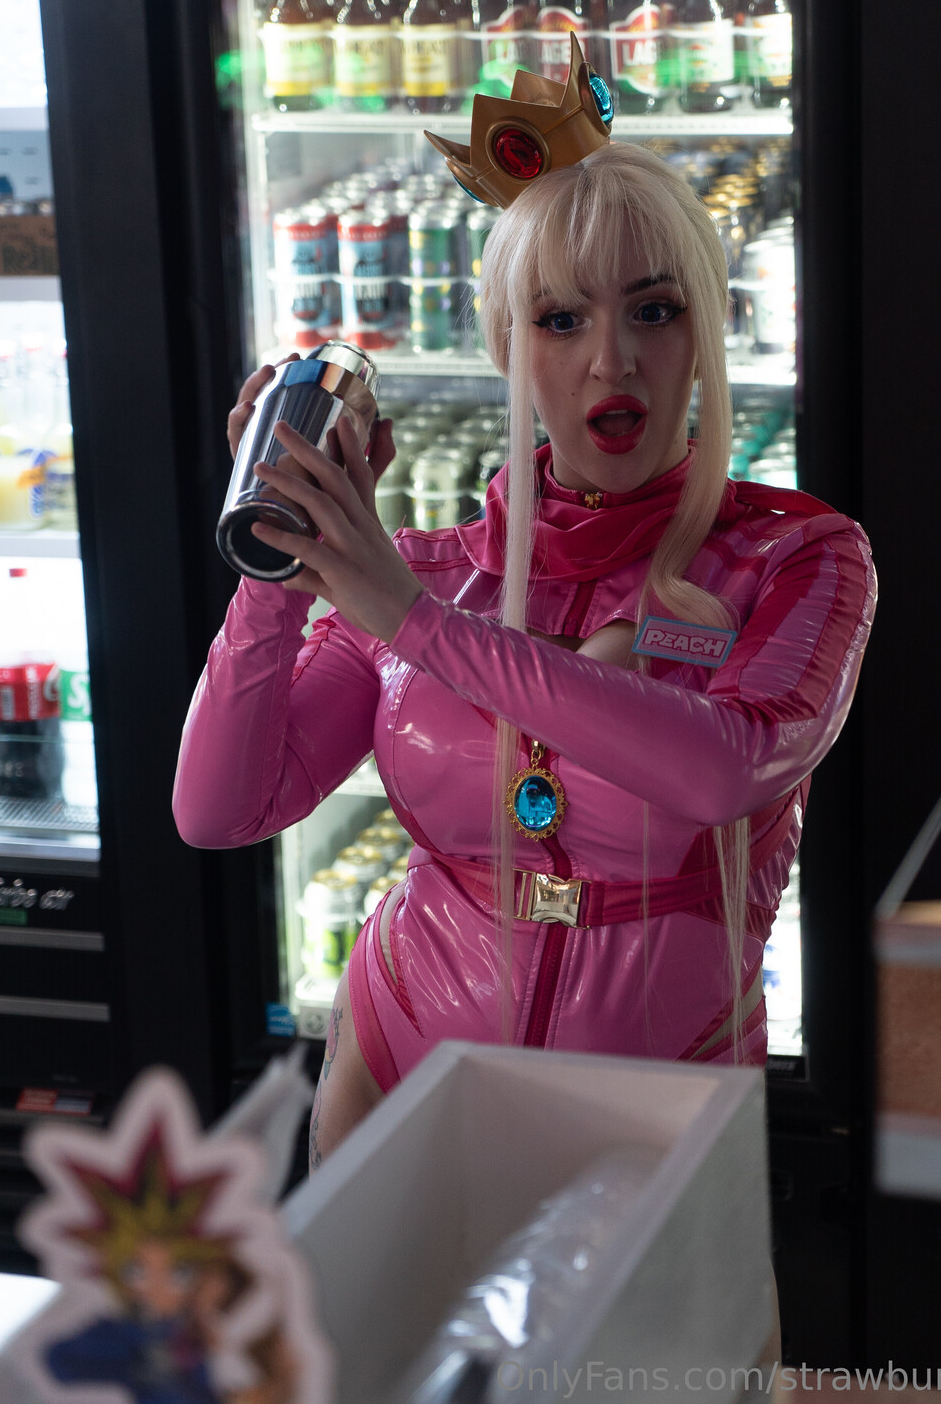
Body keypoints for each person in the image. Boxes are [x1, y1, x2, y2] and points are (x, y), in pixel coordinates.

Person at [173, 137, 875, 1172]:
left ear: (708, 327)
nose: (612, 360)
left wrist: (413, 621)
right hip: (401, 1055)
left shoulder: (801, 556)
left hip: (653, 1097)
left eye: (654, 310)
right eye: (560, 319)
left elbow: (724, 767)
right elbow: (220, 811)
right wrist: (278, 558)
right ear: (507, 343)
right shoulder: (424, 570)